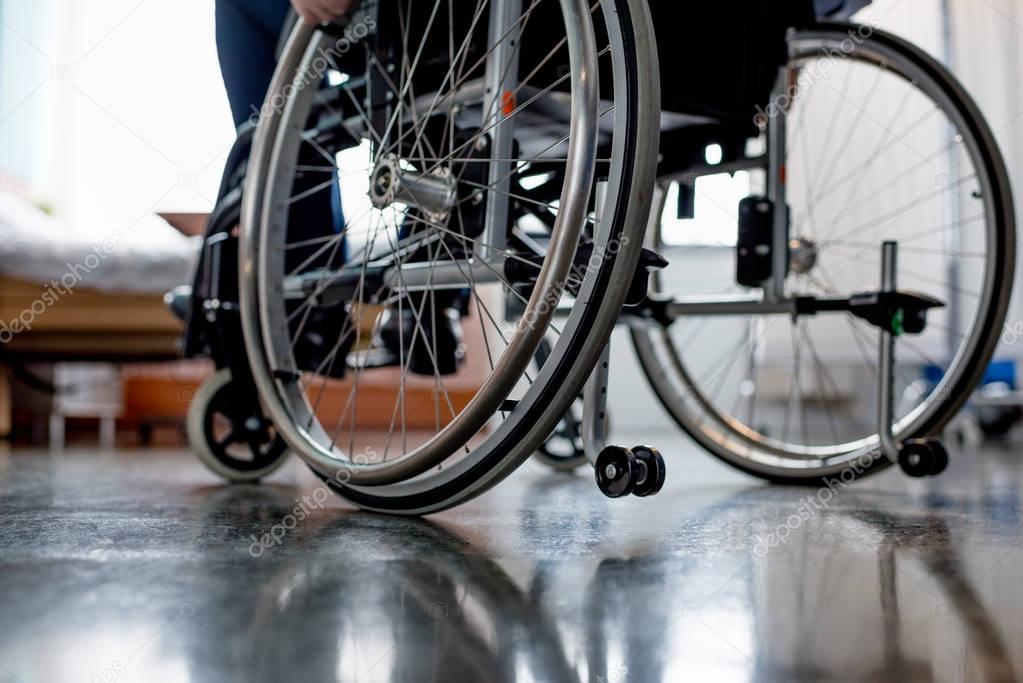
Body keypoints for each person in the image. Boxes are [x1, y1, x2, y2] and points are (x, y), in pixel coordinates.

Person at [213, 0, 464, 376]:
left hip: (423, 23)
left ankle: (308, 304)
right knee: (466, 134)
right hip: (539, 35)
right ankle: (426, 299)